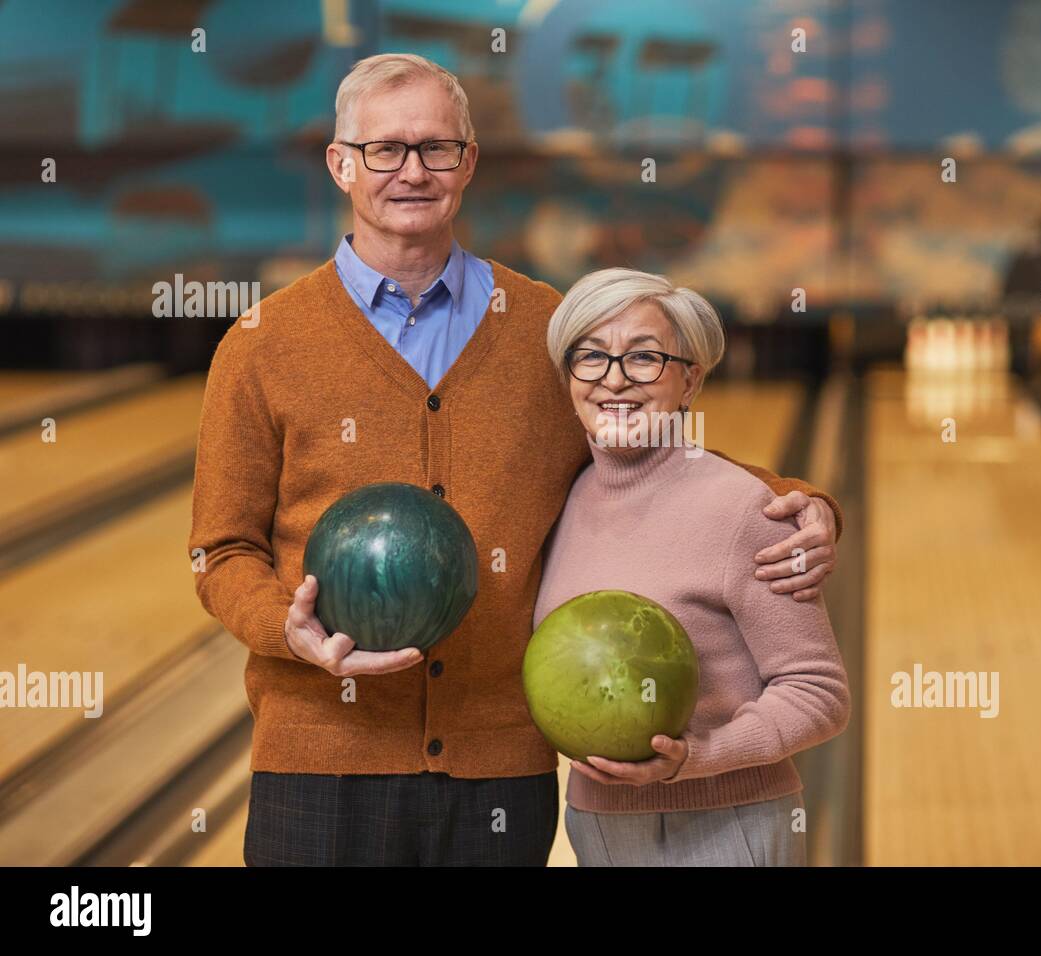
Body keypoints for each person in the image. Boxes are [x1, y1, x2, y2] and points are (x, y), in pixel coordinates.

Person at [188, 54, 844, 867]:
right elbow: (220, 551)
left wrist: (798, 496)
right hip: (322, 753)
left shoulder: (546, 326)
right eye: (386, 149)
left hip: (500, 768)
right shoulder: (262, 345)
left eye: (437, 148)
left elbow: (645, 438)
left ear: (468, 162)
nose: (412, 170)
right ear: (341, 163)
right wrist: (285, 630)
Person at [536, 268, 851, 866]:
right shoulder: (560, 500)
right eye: (592, 357)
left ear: (690, 380)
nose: (615, 379)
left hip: (725, 824)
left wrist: (698, 758)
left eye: (644, 358)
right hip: (597, 824)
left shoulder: (745, 510)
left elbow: (820, 693)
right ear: (567, 378)